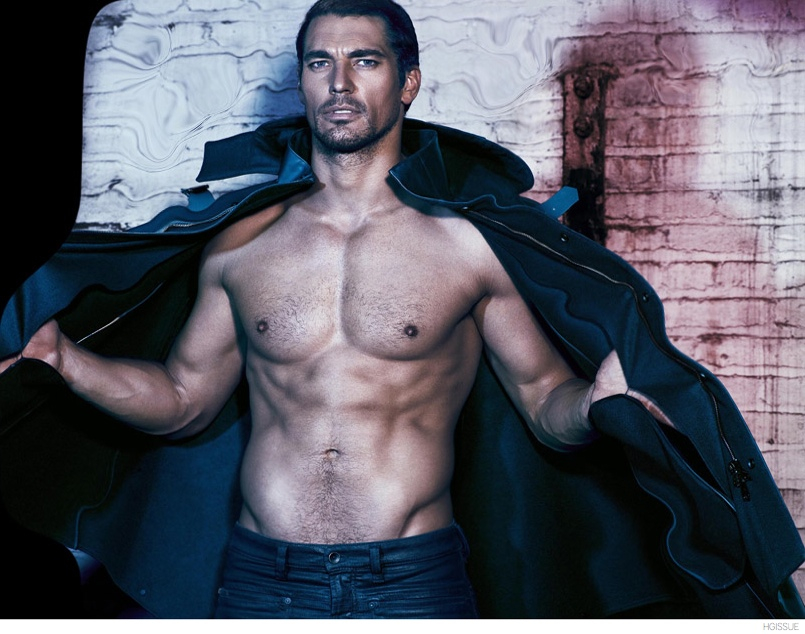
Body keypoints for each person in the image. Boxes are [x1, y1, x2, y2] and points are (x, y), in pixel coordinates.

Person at [1, 0, 803, 620]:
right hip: (260, 578)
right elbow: (183, 401)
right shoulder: (241, 247)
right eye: (319, 62)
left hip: (412, 583)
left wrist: (594, 406)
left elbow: (541, 401)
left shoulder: (465, 247)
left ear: (406, 82)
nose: (339, 83)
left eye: (364, 61)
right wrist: (67, 360)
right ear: (302, 80)